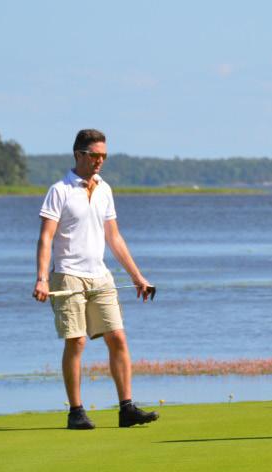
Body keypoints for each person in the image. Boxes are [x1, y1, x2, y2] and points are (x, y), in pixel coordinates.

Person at [32, 129, 160, 429]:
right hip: (67, 276)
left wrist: (138, 277)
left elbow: (114, 238)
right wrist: (41, 279)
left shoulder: (105, 189)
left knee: (118, 338)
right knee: (76, 342)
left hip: (100, 276)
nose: (100, 161)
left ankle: (126, 409)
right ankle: (76, 411)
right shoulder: (60, 190)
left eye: (104, 156)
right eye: (95, 156)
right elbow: (46, 238)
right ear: (79, 155)